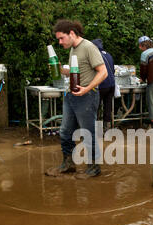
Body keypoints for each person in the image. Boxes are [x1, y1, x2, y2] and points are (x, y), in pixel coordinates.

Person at [46, 20, 107, 178]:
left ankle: (94, 167)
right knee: (65, 131)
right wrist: (60, 69)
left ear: (72, 33)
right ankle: (68, 164)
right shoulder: (73, 49)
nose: (60, 42)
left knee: (88, 133)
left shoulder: (88, 47)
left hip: (87, 96)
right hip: (71, 96)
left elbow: (103, 72)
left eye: (61, 38)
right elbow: (76, 71)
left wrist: (86, 89)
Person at [91, 39, 115, 132]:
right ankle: (107, 129)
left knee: (95, 107)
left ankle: (96, 130)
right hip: (111, 84)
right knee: (107, 107)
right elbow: (112, 70)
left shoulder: (95, 55)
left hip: (102, 85)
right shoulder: (108, 54)